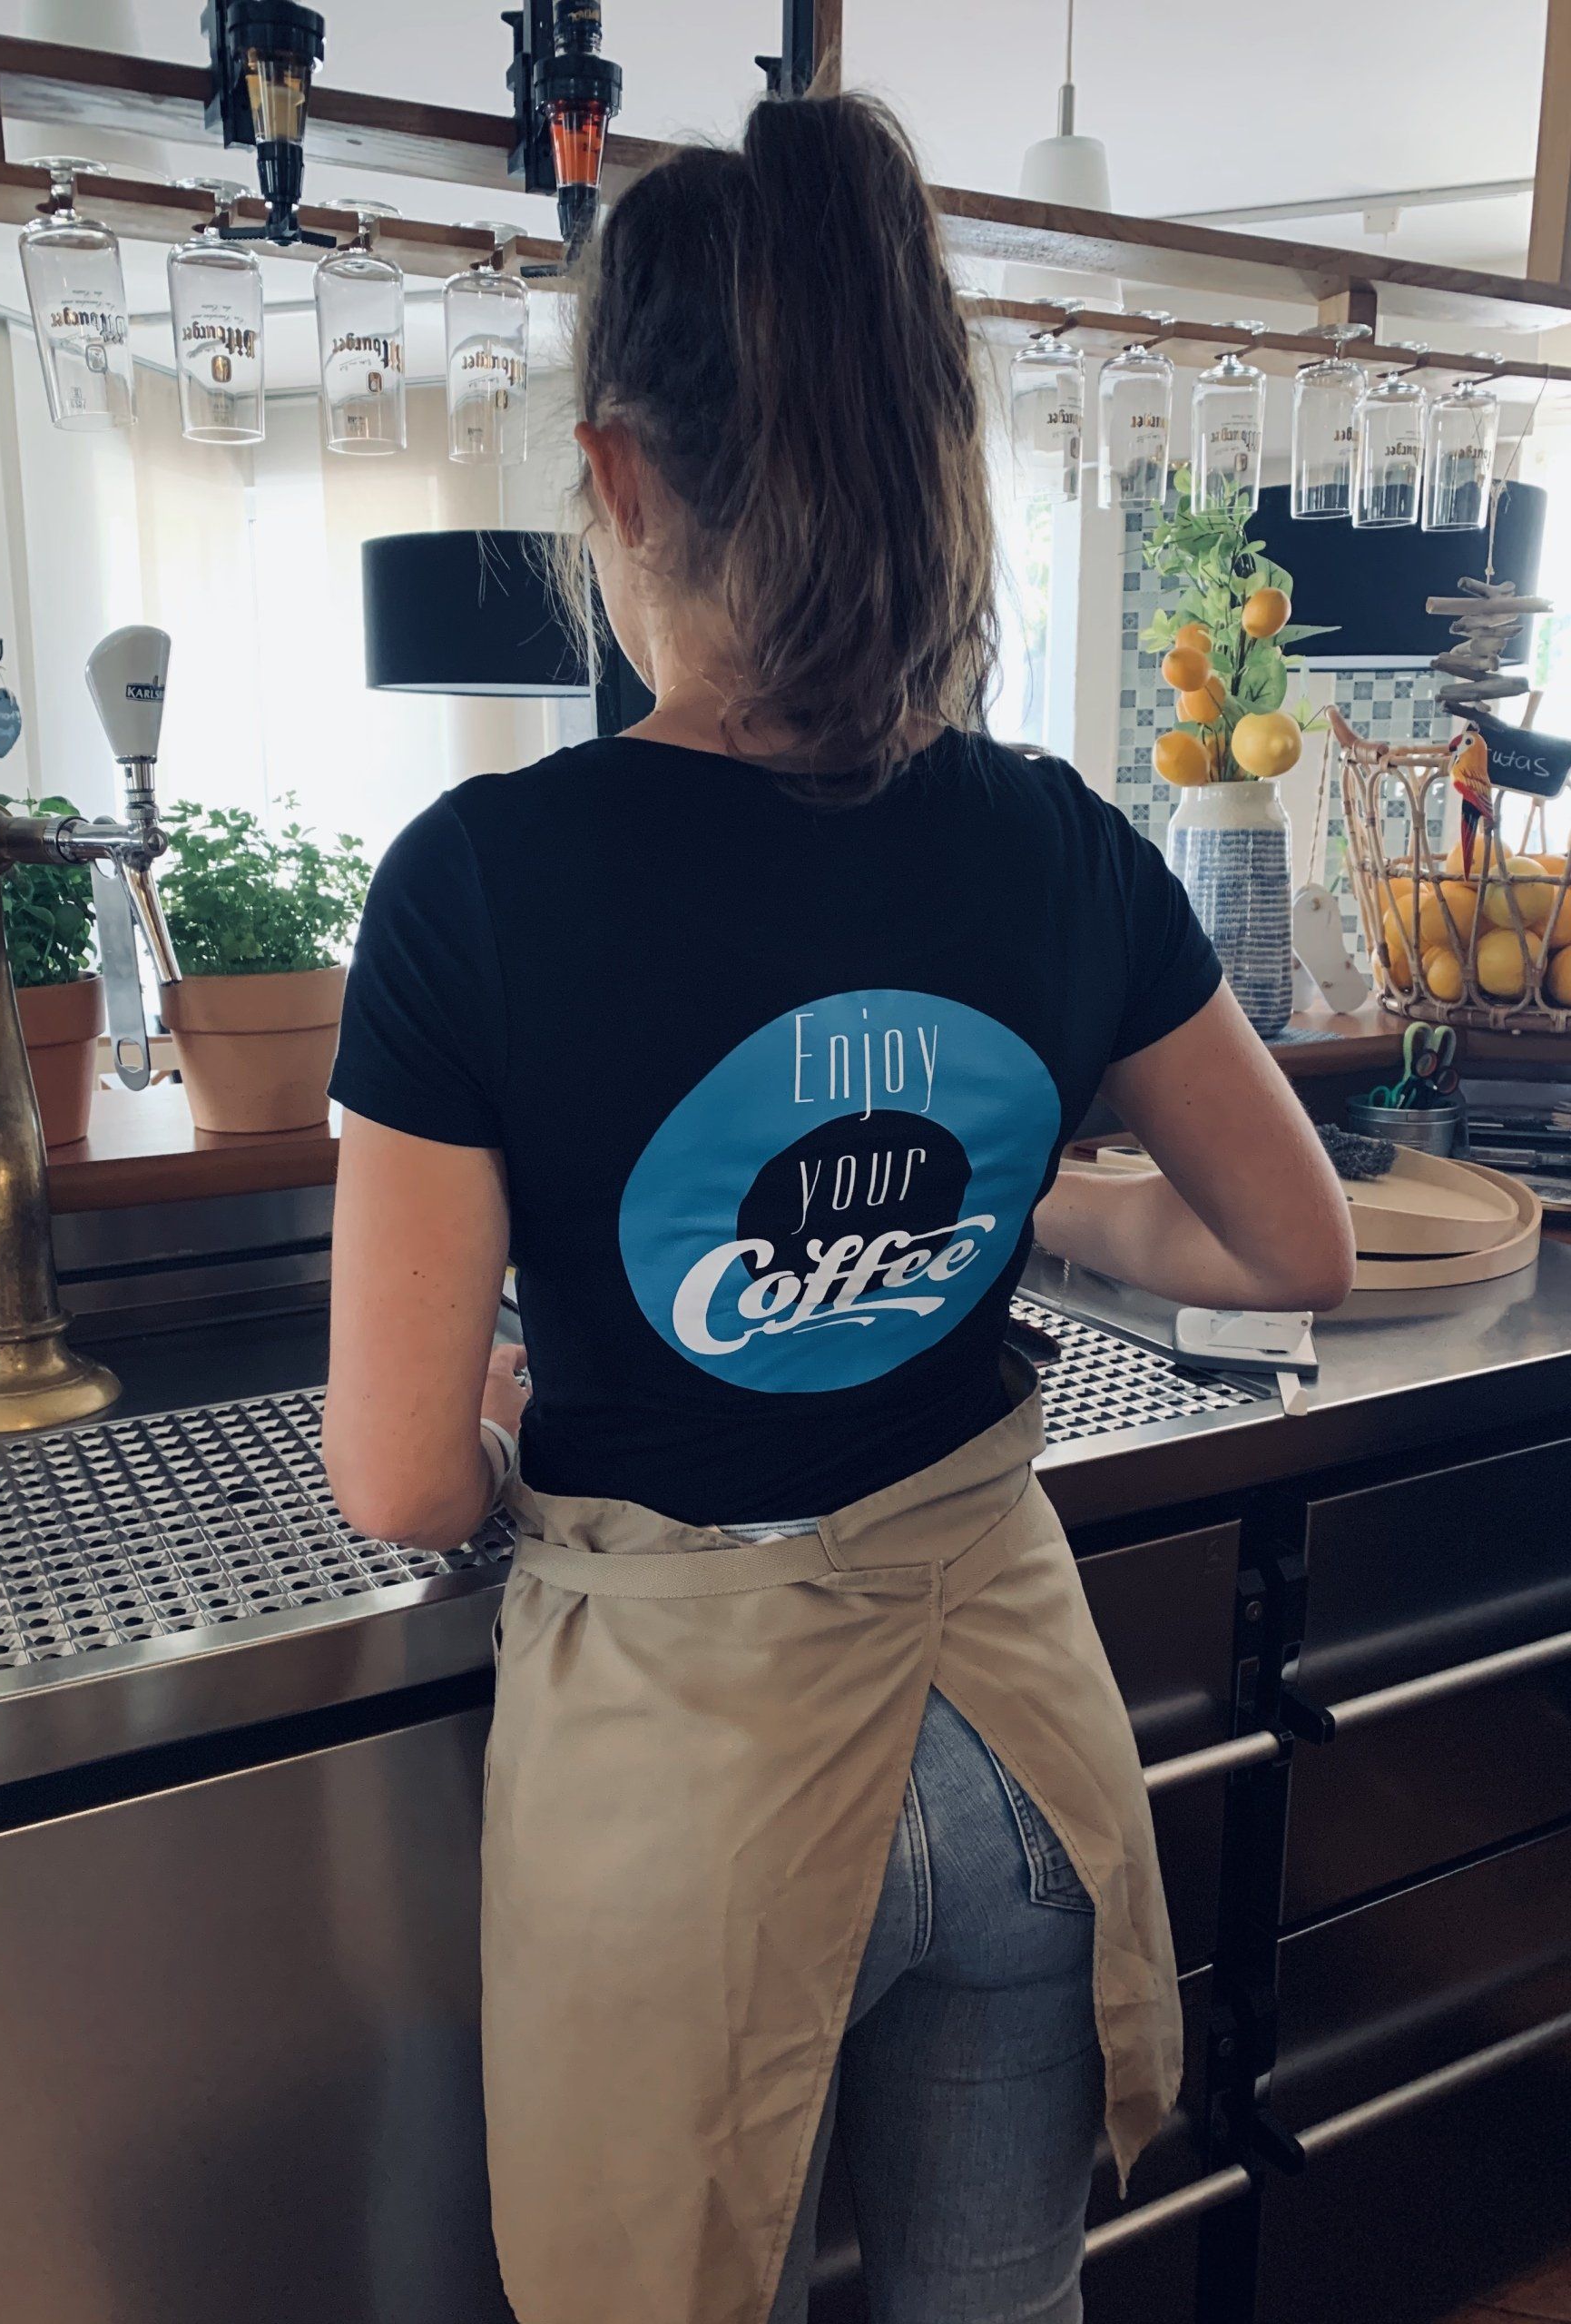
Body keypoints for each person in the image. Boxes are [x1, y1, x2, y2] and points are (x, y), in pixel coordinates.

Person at [323, 89, 1354, 2324]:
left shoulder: (480, 881)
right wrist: (1035, 1212)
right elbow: (1299, 1246)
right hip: (1014, 1738)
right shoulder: (1058, 838)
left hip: (686, 1787)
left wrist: (502, 1422)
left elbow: (397, 1474)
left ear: (616, 475)